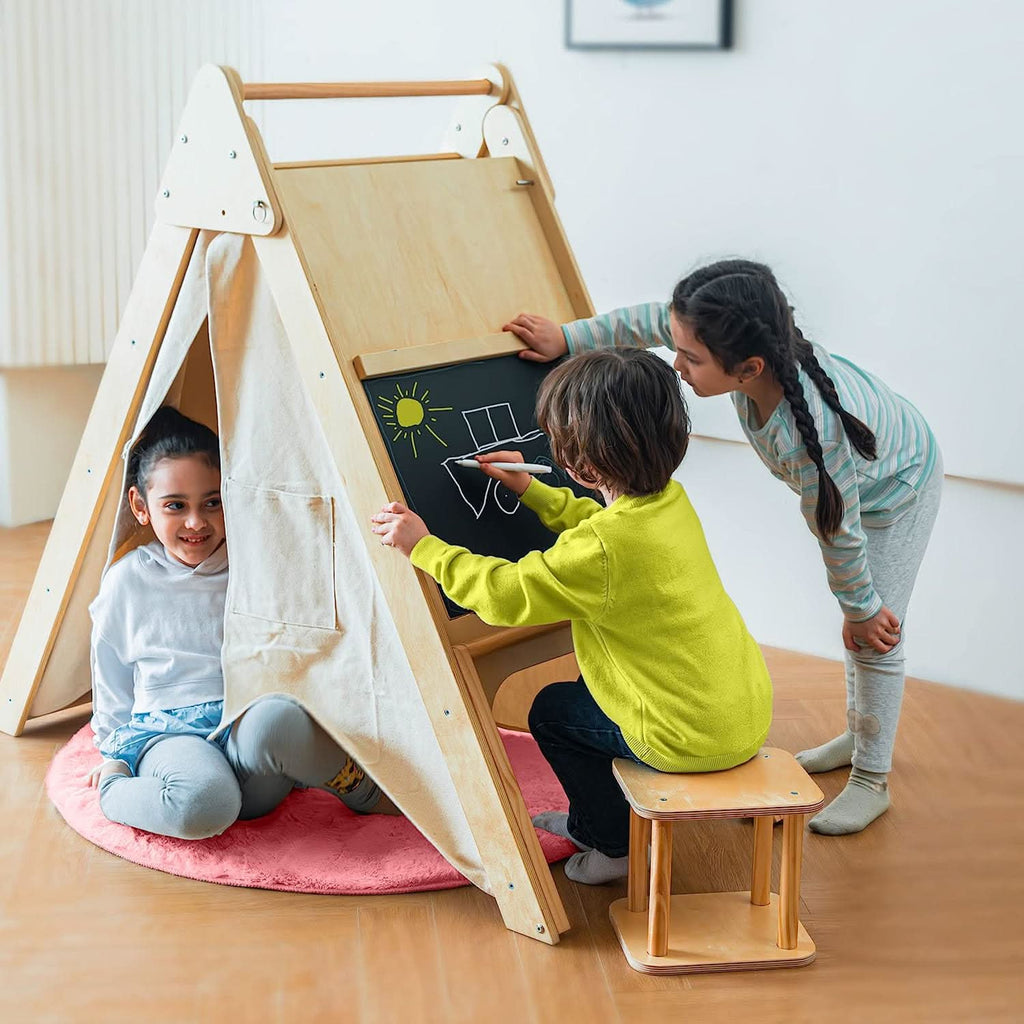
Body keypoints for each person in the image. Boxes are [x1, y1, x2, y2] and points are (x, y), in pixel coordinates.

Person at [503, 259, 941, 835]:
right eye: (678, 347)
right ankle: (857, 736)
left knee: (876, 637)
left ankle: (870, 778)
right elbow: (647, 322)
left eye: (690, 358)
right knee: (861, 627)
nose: (676, 364)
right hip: (851, 491)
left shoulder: (814, 441)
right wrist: (570, 337)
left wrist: (859, 607)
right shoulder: (733, 348)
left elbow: (838, 529)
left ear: (748, 368)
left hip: (897, 490)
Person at [371, 348, 772, 883]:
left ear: (580, 463)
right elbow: (598, 525)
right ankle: (598, 815)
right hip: (739, 714)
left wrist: (424, 547)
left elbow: (505, 593)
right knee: (588, 694)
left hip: (685, 736)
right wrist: (530, 488)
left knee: (554, 712)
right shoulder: (668, 503)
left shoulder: (603, 550)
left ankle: (612, 844)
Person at [87, 406, 386, 839]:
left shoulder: (252, 566)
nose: (196, 522)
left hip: (248, 740)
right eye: (175, 506)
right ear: (141, 506)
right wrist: (111, 752)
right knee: (204, 802)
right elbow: (110, 674)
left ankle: (370, 795)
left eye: (212, 502)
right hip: (173, 738)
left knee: (282, 717)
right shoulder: (127, 581)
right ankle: (116, 792)